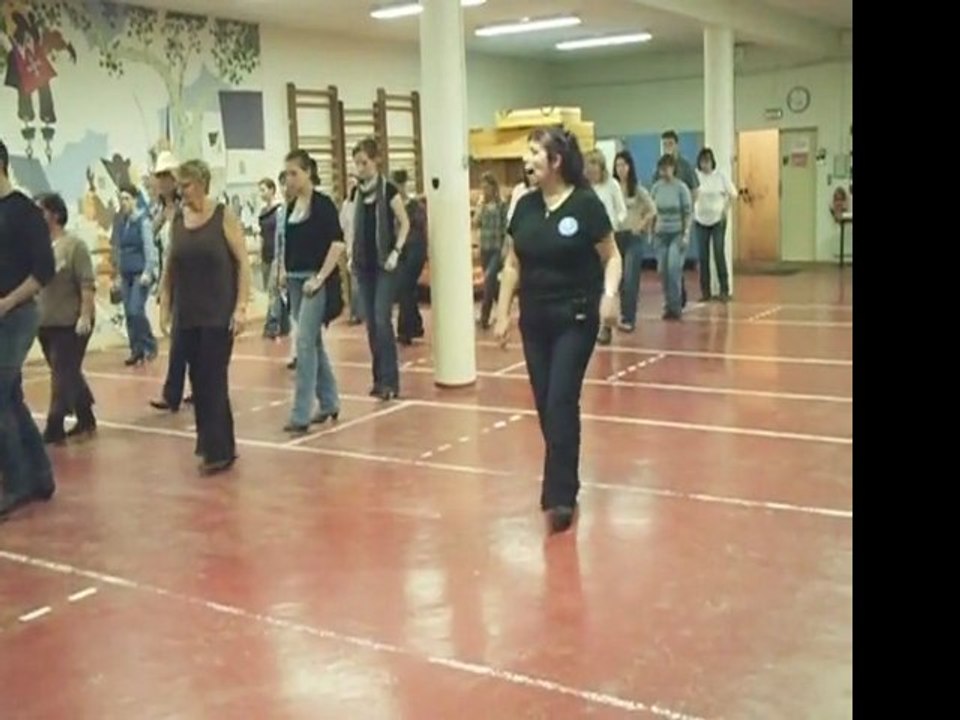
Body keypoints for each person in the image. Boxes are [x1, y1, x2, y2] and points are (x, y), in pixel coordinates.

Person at [493, 127, 622, 535]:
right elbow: (512, 263)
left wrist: (609, 296)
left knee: (561, 399)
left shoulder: (585, 204)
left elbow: (612, 256)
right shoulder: (525, 206)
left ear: (556, 161)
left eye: (534, 152)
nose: (526, 160)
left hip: (575, 318)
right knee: (546, 405)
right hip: (535, 320)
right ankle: (565, 476)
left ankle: (560, 496)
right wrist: (502, 311)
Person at [159, 159, 250, 475]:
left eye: (185, 185)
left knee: (213, 379)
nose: (181, 191)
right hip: (187, 313)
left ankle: (221, 449)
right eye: (179, 185)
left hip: (217, 312)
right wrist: (165, 303)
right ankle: (210, 443)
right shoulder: (178, 220)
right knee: (198, 381)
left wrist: (241, 307)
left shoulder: (224, 217)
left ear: (201, 184)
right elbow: (170, 265)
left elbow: (243, 263)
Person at [0, 137, 56, 519]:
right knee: (11, 398)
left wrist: (7, 302)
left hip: (17, 315)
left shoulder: (24, 212)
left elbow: (43, 270)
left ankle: (17, 482)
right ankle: (40, 475)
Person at [280, 149, 344, 434]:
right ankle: (329, 401)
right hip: (295, 280)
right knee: (312, 342)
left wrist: (319, 278)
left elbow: (337, 244)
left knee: (304, 342)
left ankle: (301, 412)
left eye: (294, 173)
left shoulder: (323, 205)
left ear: (308, 173)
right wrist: (283, 272)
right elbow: (287, 245)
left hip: (313, 281)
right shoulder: (290, 207)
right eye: (287, 174)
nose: (290, 179)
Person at [350, 137, 410, 402]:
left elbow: (404, 223)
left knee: (382, 320)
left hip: (385, 264)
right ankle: (378, 379)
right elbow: (352, 226)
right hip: (364, 265)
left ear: (375, 161)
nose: (360, 168)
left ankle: (390, 380)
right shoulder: (357, 193)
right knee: (371, 325)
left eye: (364, 163)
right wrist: (351, 254)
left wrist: (396, 251)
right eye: (357, 163)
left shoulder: (389, 191)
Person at [35, 193, 97, 443]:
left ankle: (54, 424)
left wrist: (85, 315)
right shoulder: (38, 247)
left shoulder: (74, 246)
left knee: (61, 374)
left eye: (40, 211)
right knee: (67, 371)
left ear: (55, 214)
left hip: (70, 323)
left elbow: (87, 283)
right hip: (45, 322)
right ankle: (85, 416)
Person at [147, 151, 193, 412]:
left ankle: (177, 391)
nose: (162, 181)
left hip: (187, 278)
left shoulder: (185, 208)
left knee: (183, 338)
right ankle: (176, 391)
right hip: (171, 277)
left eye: (167, 176)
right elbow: (155, 241)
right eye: (159, 176)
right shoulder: (162, 211)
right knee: (180, 338)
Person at [111, 183, 158, 366]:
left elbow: (149, 248)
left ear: (135, 200)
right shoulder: (122, 223)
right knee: (128, 314)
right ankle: (136, 350)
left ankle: (149, 344)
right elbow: (118, 250)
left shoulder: (143, 222)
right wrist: (117, 275)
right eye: (121, 199)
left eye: (127, 199)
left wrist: (148, 271)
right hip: (126, 273)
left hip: (140, 273)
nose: (123, 202)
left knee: (135, 310)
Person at [585, 149, 627, 345]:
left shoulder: (612, 186)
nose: (592, 170)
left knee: (608, 282)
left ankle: (605, 327)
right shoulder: (583, 189)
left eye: (595, 165)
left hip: (607, 238)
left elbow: (621, 211)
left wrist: (613, 227)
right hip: (587, 242)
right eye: (589, 166)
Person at [652, 131, 698, 308]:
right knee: (665, 269)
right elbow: (653, 203)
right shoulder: (657, 177)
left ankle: (675, 302)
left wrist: (687, 225)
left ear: (677, 145)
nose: (667, 147)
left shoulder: (685, 167)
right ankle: (672, 299)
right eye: (664, 144)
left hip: (678, 226)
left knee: (674, 267)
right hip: (661, 230)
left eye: (670, 143)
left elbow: (694, 191)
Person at [613, 150, 656, 332]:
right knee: (619, 279)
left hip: (633, 237)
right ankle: (621, 314)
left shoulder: (637, 189)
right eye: (618, 165)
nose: (621, 169)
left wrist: (641, 225)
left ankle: (629, 318)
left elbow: (652, 210)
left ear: (630, 167)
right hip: (616, 236)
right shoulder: (613, 188)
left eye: (624, 165)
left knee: (631, 278)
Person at [650, 154, 693, 321]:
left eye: (667, 168)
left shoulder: (681, 188)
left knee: (673, 269)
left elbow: (687, 213)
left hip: (677, 234)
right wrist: (651, 233)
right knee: (663, 270)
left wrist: (686, 234)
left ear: (673, 169)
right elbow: (652, 212)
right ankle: (668, 304)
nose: (664, 171)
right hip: (660, 234)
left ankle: (675, 307)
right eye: (662, 169)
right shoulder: (656, 188)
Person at [693, 147, 736, 302]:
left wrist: (725, 210)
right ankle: (705, 291)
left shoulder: (720, 176)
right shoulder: (696, 176)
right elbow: (691, 193)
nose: (705, 165)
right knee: (703, 256)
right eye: (702, 162)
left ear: (712, 162)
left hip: (718, 220)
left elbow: (733, 194)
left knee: (718, 252)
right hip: (700, 220)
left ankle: (724, 289)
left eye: (707, 161)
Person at [392, 168, 427, 345]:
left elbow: (420, 229)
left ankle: (405, 329)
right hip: (401, 250)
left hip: (415, 249)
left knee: (405, 286)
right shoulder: (392, 206)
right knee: (406, 288)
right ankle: (414, 325)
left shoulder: (415, 207)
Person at [472, 172, 507, 330]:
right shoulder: (482, 204)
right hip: (485, 247)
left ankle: (484, 317)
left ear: (493, 188)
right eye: (483, 187)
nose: (485, 190)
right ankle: (503, 308)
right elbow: (475, 223)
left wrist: (505, 248)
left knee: (488, 278)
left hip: (497, 248)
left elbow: (506, 227)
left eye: (487, 187)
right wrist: (479, 207)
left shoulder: (501, 205)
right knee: (492, 284)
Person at [258, 176, 287, 338]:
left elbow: (281, 235)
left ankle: (272, 323)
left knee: (274, 290)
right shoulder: (263, 213)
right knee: (271, 290)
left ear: (272, 190)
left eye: (264, 190)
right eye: (260, 190)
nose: (261, 193)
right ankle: (284, 323)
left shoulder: (279, 211)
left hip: (277, 254)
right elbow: (262, 234)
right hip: (266, 254)